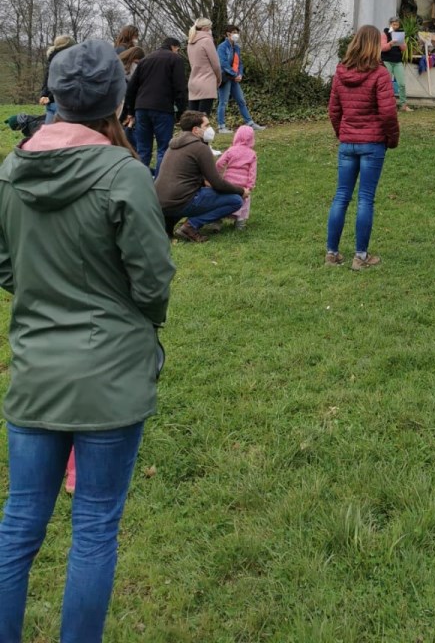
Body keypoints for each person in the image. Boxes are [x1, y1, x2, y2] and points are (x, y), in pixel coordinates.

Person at [0, 39, 175, 642]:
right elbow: (153, 285)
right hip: (110, 377)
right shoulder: (125, 176)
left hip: (36, 371)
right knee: (94, 527)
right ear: (116, 103)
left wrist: (44, 291)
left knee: (19, 524)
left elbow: (5, 266)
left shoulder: (11, 169)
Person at [326, 25, 400, 269]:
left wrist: (343, 133)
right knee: (365, 198)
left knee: (341, 196)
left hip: (349, 143)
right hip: (372, 143)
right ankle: (360, 256)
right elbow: (388, 112)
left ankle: (332, 252)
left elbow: (333, 110)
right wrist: (392, 138)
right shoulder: (379, 74)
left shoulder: (341, 71)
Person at [155, 111, 247, 243]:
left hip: (160, 202)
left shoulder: (173, 145)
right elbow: (217, 183)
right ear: (196, 130)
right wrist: (241, 190)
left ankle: (167, 225)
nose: (209, 129)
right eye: (207, 125)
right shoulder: (199, 148)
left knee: (188, 193)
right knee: (235, 200)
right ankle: (190, 226)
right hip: (180, 201)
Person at [122, 36, 188, 175]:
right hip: (162, 107)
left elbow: (132, 88)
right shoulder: (175, 59)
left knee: (143, 149)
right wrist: (181, 111)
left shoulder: (145, 60)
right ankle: (160, 183)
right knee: (163, 148)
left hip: (141, 108)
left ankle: (139, 181)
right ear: (174, 47)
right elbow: (180, 87)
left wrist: (131, 110)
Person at [216, 25, 265, 134]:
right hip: (225, 77)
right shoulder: (222, 47)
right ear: (228, 34)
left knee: (241, 101)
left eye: (237, 32)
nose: (236, 35)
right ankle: (221, 126)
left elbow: (240, 63)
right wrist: (234, 74)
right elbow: (223, 63)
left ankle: (250, 123)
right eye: (233, 32)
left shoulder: (237, 47)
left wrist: (240, 74)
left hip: (234, 78)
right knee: (223, 102)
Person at [215, 125, 258, 230]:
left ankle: (217, 220)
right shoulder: (252, 154)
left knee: (223, 200)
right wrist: (250, 185)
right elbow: (252, 172)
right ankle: (240, 222)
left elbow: (219, 163)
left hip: (228, 181)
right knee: (244, 200)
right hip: (243, 184)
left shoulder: (231, 150)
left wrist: (218, 175)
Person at [187, 16, 222, 114]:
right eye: (210, 27)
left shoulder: (190, 42)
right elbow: (216, 64)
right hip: (206, 81)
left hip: (193, 81)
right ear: (205, 28)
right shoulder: (207, 41)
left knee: (192, 118)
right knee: (203, 118)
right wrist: (218, 79)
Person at [38, 34, 76, 124]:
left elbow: (47, 81)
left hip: (51, 104)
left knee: (50, 135)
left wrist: (44, 95)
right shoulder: (67, 61)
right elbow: (62, 84)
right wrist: (50, 97)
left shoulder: (52, 60)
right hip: (61, 105)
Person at [381, 17, 411, 113]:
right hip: (387, 61)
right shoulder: (384, 33)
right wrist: (391, 43)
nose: (395, 26)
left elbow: (404, 49)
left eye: (397, 25)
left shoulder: (400, 34)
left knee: (401, 84)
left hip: (398, 61)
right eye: (393, 24)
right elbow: (383, 48)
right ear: (390, 24)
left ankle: (403, 105)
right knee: (387, 84)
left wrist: (401, 42)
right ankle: (388, 106)